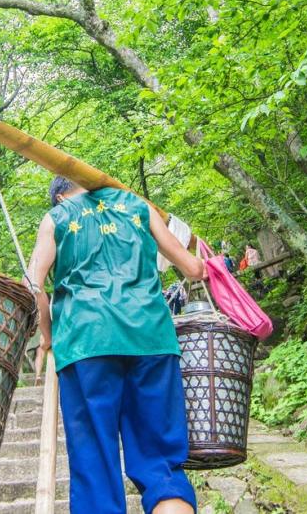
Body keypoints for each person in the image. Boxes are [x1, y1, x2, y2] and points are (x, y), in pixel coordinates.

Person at [26, 176, 206, 514]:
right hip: (151, 337)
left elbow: (33, 285)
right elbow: (194, 268)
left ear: (61, 196)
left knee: (94, 464)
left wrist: (46, 337)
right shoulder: (139, 205)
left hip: (85, 341)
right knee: (162, 467)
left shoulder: (57, 218)